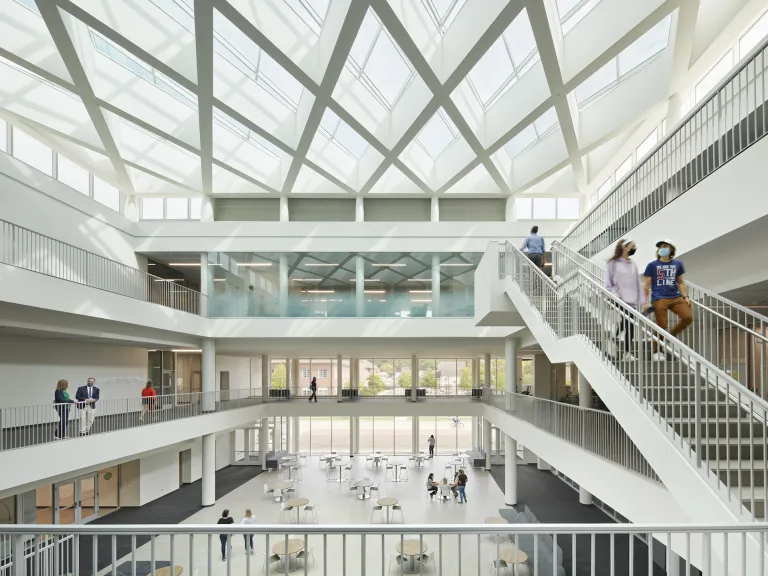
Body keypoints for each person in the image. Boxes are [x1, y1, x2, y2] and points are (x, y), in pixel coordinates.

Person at [643, 240, 692, 360]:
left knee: (688, 317)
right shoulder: (652, 265)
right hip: (659, 298)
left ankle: (668, 337)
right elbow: (646, 285)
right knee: (662, 324)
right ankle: (657, 351)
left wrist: (685, 296)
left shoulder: (678, 264)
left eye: (665, 247)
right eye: (660, 247)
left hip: (675, 297)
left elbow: (680, 282)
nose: (662, 249)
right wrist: (645, 302)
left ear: (671, 249)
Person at [605, 239, 645, 361]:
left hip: (631, 300)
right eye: (633, 246)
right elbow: (608, 282)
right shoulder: (613, 263)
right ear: (625, 247)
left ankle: (614, 342)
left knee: (628, 324)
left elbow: (638, 283)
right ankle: (626, 352)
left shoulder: (633, 264)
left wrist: (642, 301)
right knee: (628, 323)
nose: (634, 248)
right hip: (619, 299)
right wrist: (614, 294)